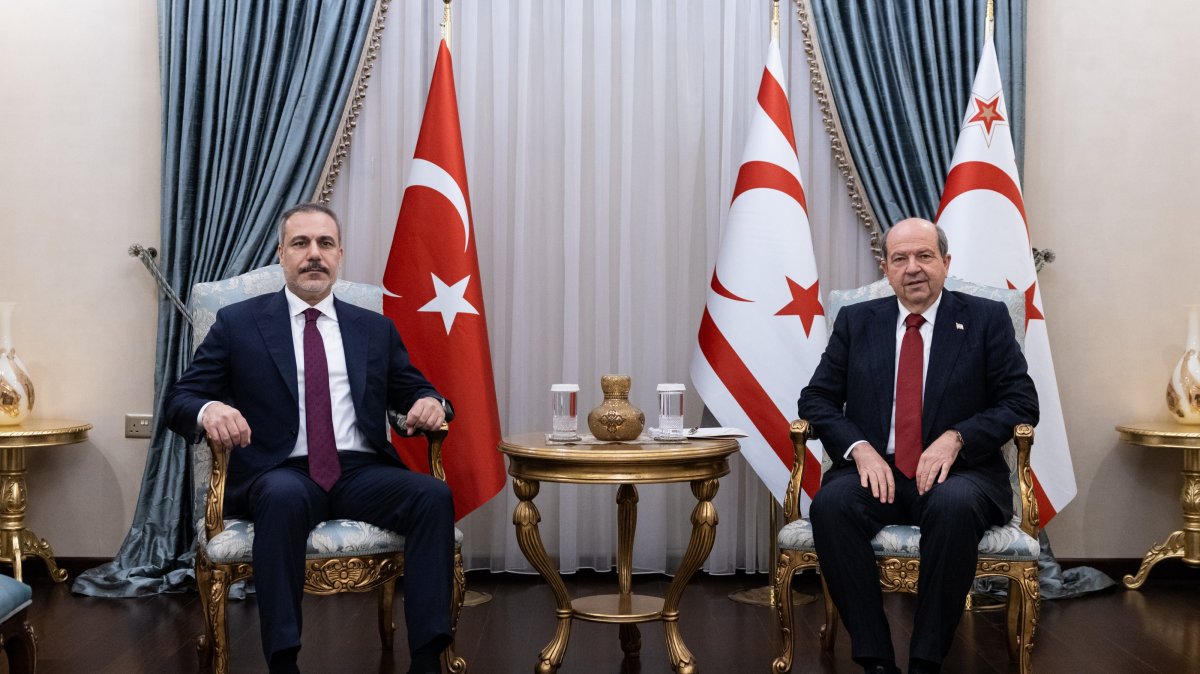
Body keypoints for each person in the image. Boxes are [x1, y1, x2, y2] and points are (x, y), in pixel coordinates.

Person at [164, 203, 455, 674]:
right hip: (280, 471)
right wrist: (210, 408)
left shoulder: (374, 329)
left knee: (433, 496)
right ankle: (283, 661)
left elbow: (416, 390)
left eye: (324, 244)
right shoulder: (240, 324)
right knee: (280, 498)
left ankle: (427, 658)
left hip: (359, 470)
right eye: (301, 243)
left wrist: (431, 404)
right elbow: (181, 397)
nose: (313, 254)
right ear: (282, 254)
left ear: (340, 254)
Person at [798, 217, 1038, 674]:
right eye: (900, 258)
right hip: (877, 470)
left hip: (960, 472)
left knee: (954, 505)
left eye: (925, 256)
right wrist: (859, 448)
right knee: (831, 505)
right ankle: (876, 661)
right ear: (886, 269)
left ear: (945, 263)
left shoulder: (985, 319)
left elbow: (1021, 402)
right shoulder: (857, 321)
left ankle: (926, 660)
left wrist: (957, 438)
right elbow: (816, 398)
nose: (913, 268)